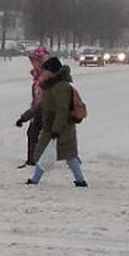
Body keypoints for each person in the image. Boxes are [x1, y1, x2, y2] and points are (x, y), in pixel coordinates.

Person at [25, 57, 87, 187]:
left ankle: (80, 180)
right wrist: (24, 117)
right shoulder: (50, 86)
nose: (42, 73)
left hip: (61, 127)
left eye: (45, 70)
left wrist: (57, 128)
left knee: (69, 155)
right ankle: (35, 180)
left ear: (52, 71)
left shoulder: (61, 87)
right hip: (52, 126)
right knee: (48, 153)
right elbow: (40, 107)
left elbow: (62, 109)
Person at [15, 44, 49, 167]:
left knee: (39, 134)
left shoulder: (46, 76)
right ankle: (33, 160)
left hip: (46, 110)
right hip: (38, 110)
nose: (33, 63)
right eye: (32, 60)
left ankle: (36, 160)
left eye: (36, 60)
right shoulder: (37, 75)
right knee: (33, 133)